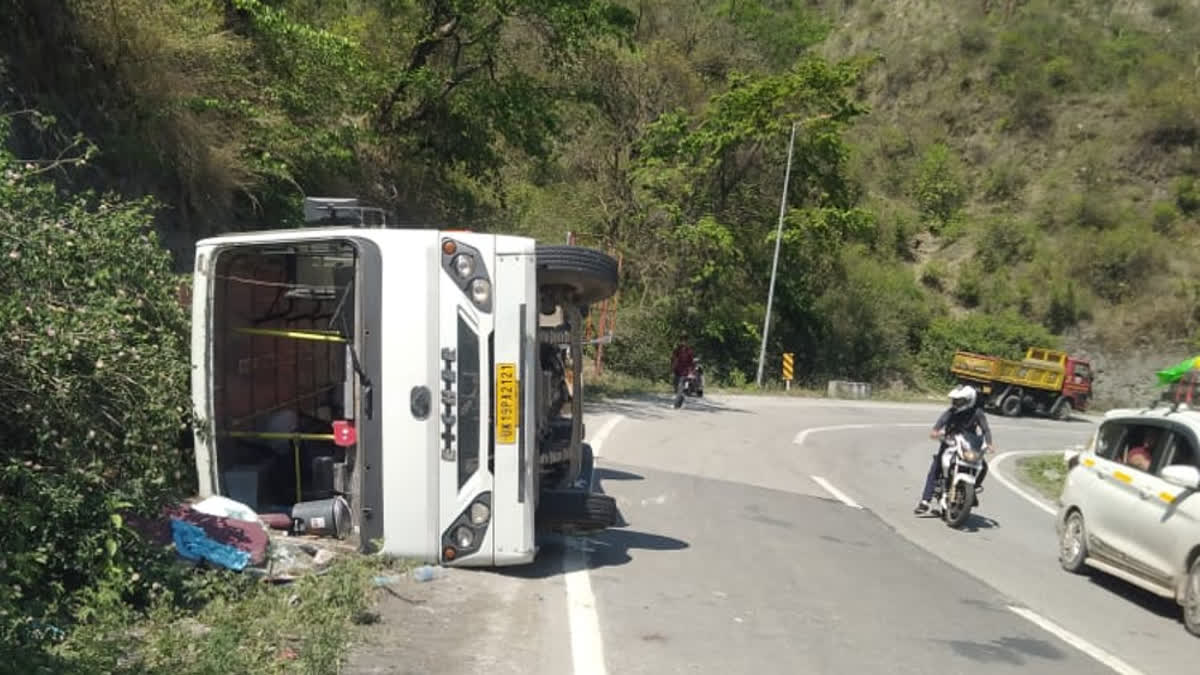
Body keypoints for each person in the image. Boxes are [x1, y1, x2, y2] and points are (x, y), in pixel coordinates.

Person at [914, 384, 995, 515]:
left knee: (984, 466)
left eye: (960, 400)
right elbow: (941, 421)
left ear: (969, 400)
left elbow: (985, 429)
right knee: (936, 467)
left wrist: (989, 443)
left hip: (968, 445)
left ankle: (972, 489)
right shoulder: (952, 411)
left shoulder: (977, 413)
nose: (956, 403)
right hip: (950, 442)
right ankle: (925, 501)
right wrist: (935, 431)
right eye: (955, 400)